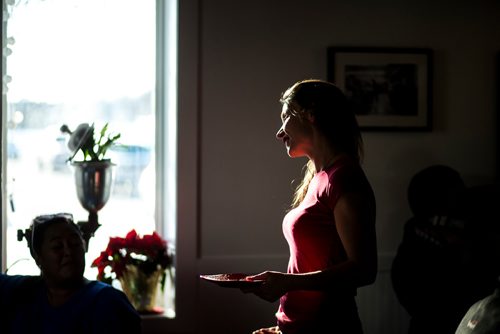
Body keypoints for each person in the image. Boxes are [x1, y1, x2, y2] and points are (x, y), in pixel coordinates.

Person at [246, 79, 377, 334]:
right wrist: (283, 327)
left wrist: (285, 283)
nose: (279, 132)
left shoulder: (344, 178)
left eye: (285, 118)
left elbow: (364, 269)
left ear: (311, 115)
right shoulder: (319, 178)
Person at [0, 212, 141, 334]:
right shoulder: (23, 292)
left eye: (75, 244)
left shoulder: (108, 303)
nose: (68, 252)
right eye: (57, 247)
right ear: (38, 258)